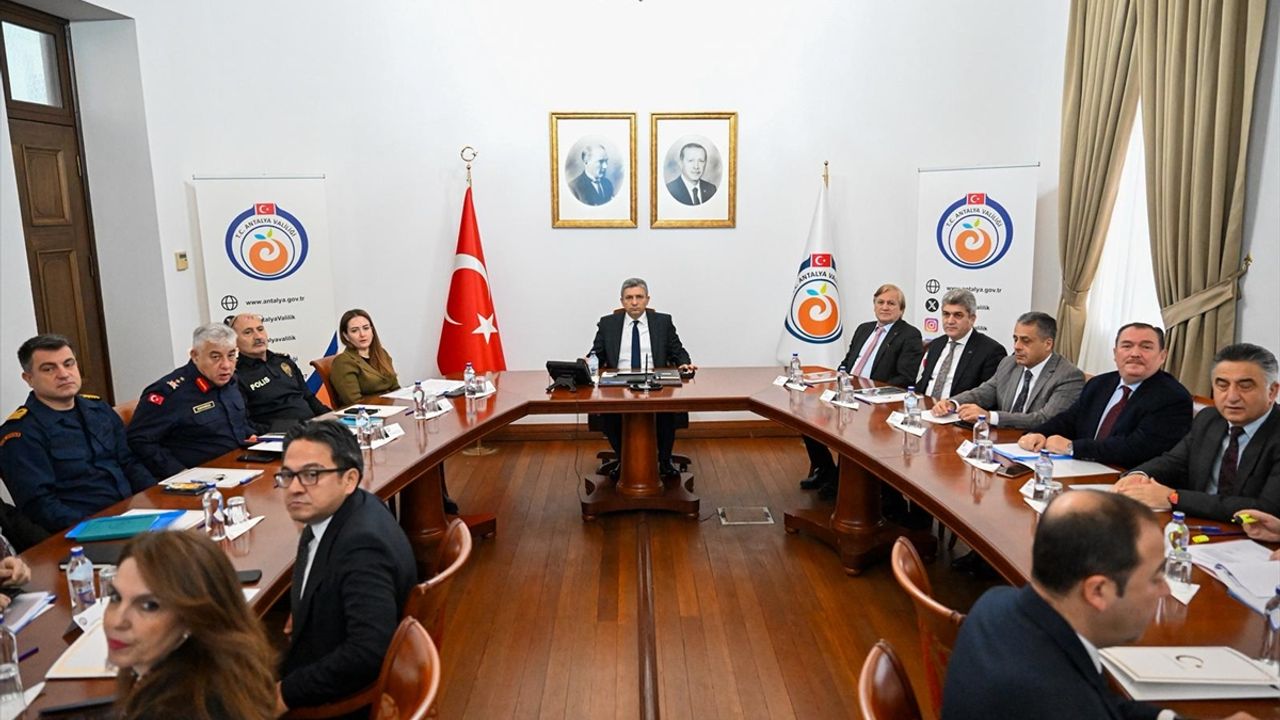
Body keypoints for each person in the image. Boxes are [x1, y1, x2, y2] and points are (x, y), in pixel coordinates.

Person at [943, 490, 1174, 720]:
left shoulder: (994, 604)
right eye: (1155, 578)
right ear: (1097, 591)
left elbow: (1101, 701)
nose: (1166, 590)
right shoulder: (1064, 703)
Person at [276, 419, 417, 716]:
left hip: (340, 696)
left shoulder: (362, 547)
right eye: (287, 475)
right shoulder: (353, 506)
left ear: (349, 479)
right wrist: (303, 604)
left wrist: (284, 693)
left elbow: (368, 652)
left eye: (312, 475)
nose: (295, 488)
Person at [105, 531, 277, 720]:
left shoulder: (176, 710)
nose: (117, 621)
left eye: (149, 606)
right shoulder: (220, 673)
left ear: (192, 618)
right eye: (116, 597)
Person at [0, 335, 155, 532]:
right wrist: (99, 527)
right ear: (28, 378)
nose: (64, 374)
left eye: (68, 364)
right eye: (49, 369)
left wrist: (156, 497)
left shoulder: (98, 409)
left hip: (132, 514)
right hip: (81, 531)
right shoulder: (20, 433)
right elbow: (40, 506)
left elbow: (129, 463)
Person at [1116, 343, 1280, 521]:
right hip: (1196, 524)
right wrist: (1138, 476)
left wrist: (1174, 498)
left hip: (1253, 534)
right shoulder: (1209, 419)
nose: (1232, 396)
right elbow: (1173, 462)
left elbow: (1267, 509)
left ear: (1272, 391)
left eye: (1245, 386)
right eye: (1222, 385)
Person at [800, 283, 922, 497]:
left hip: (876, 403)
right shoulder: (864, 329)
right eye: (880, 302)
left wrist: (868, 393)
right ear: (874, 306)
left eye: (891, 303)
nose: (885, 307)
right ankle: (826, 470)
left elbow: (905, 377)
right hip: (847, 393)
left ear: (901, 309)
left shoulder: (909, 335)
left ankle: (840, 483)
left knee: (850, 430)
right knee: (807, 416)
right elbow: (847, 362)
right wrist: (839, 380)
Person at [1018, 323, 1191, 469]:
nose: (1135, 353)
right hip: (1080, 469)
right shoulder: (1100, 383)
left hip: (1127, 478)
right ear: (1115, 354)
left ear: (1162, 356)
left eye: (1146, 347)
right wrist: (1038, 433)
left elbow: (1138, 448)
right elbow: (1069, 420)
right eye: (1127, 346)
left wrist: (1072, 447)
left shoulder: (1173, 397)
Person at [589, 278, 696, 476]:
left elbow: (678, 350)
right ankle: (623, 459)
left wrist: (684, 363)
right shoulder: (607, 324)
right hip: (619, 382)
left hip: (654, 381)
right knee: (609, 412)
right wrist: (589, 361)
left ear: (647, 299)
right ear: (622, 301)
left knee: (666, 411)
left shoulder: (663, 322)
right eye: (629, 298)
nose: (634, 302)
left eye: (639, 297)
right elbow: (597, 353)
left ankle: (664, 461)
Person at [127, 323, 256, 478]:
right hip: (200, 478)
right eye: (215, 357)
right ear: (195, 356)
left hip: (241, 465)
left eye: (231, 355)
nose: (226, 365)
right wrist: (179, 474)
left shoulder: (231, 381)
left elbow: (238, 422)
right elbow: (140, 440)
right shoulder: (169, 393)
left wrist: (251, 435)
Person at [932, 312, 1085, 429]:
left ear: (1048, 344)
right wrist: (953, 403)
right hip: (1002, 439)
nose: (1017, 346)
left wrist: (990, 417)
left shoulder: (1068, 376)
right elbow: (983, 393)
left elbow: (1045, 419)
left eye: (1025, 341)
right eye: (1015, 339)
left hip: (1037, 446)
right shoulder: (1010, 363)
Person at [229, 313, 330, 433]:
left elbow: (309, 397)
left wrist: (333, 418)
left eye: (260, 329)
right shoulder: (237, 376)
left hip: (312, 428)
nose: (258, 336)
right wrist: (284, 429)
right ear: (234, 341)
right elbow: (246, 423)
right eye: (248, 332)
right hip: (281, 435)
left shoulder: (283, 362)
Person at [915, 289, 1004, 400]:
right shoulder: (936, 344)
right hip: (925, 406)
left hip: (958, 409)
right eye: (946, 314)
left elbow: (987, 396)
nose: (950, 321)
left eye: (958, 315)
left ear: (972, 319)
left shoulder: (990, 351)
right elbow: (924, 383)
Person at [330, 309, 400, 406]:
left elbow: (396, 389)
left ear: (372, 330)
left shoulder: (381, 353)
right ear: (346, 336)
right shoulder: (342, 362)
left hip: (392, 408)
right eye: (354, 331)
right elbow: (354, 402)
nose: (362, 334)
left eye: (366, 328)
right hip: (368, 412)